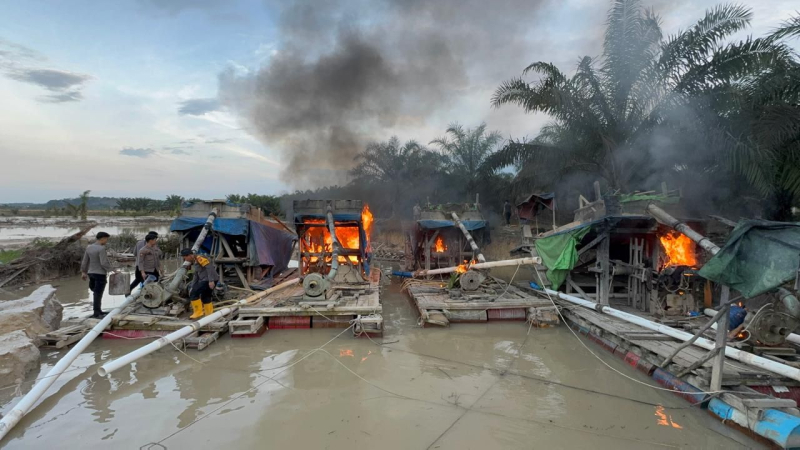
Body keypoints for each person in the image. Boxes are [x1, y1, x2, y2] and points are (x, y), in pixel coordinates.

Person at [81, 231, 113, 318]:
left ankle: (98, 311)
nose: (106, 241)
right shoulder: (101, 248)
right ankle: (96, 313)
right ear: (102, 239)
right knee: (98, 293)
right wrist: (112, 270)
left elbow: (85, 261)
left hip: (91, 273)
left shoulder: (89, 247)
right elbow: (103, 263)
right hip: (100, 274)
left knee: (95, 292)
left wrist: (83, 272)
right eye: (106, 239)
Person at [181, 249, 219, 319]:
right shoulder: (195, 261)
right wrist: (193, 285)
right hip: (207, 279)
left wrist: (211, 281)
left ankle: (198, 312)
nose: (185, 259)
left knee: (194, 294)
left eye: (185, 257)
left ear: (189, 255)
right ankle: (209, 314)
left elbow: (209, 268)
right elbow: (196, 274)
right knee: (206, 296)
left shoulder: (200, 258)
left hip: (208, 279)